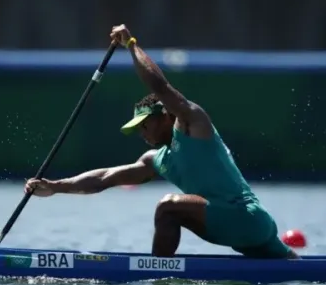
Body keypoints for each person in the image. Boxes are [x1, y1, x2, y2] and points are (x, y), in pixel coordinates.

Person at [24, 24, 300, 259]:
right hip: (243, 232)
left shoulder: (193, 124)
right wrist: (55, 187)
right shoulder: (158, 159)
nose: (143, 133)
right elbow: (105, 177)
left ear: (167, 116)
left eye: (146, 124)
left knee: (167, 206)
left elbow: (160, 88)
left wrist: (130, 45)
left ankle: (157, 278)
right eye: (138, 128)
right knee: (295, 268)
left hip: (245, 218)